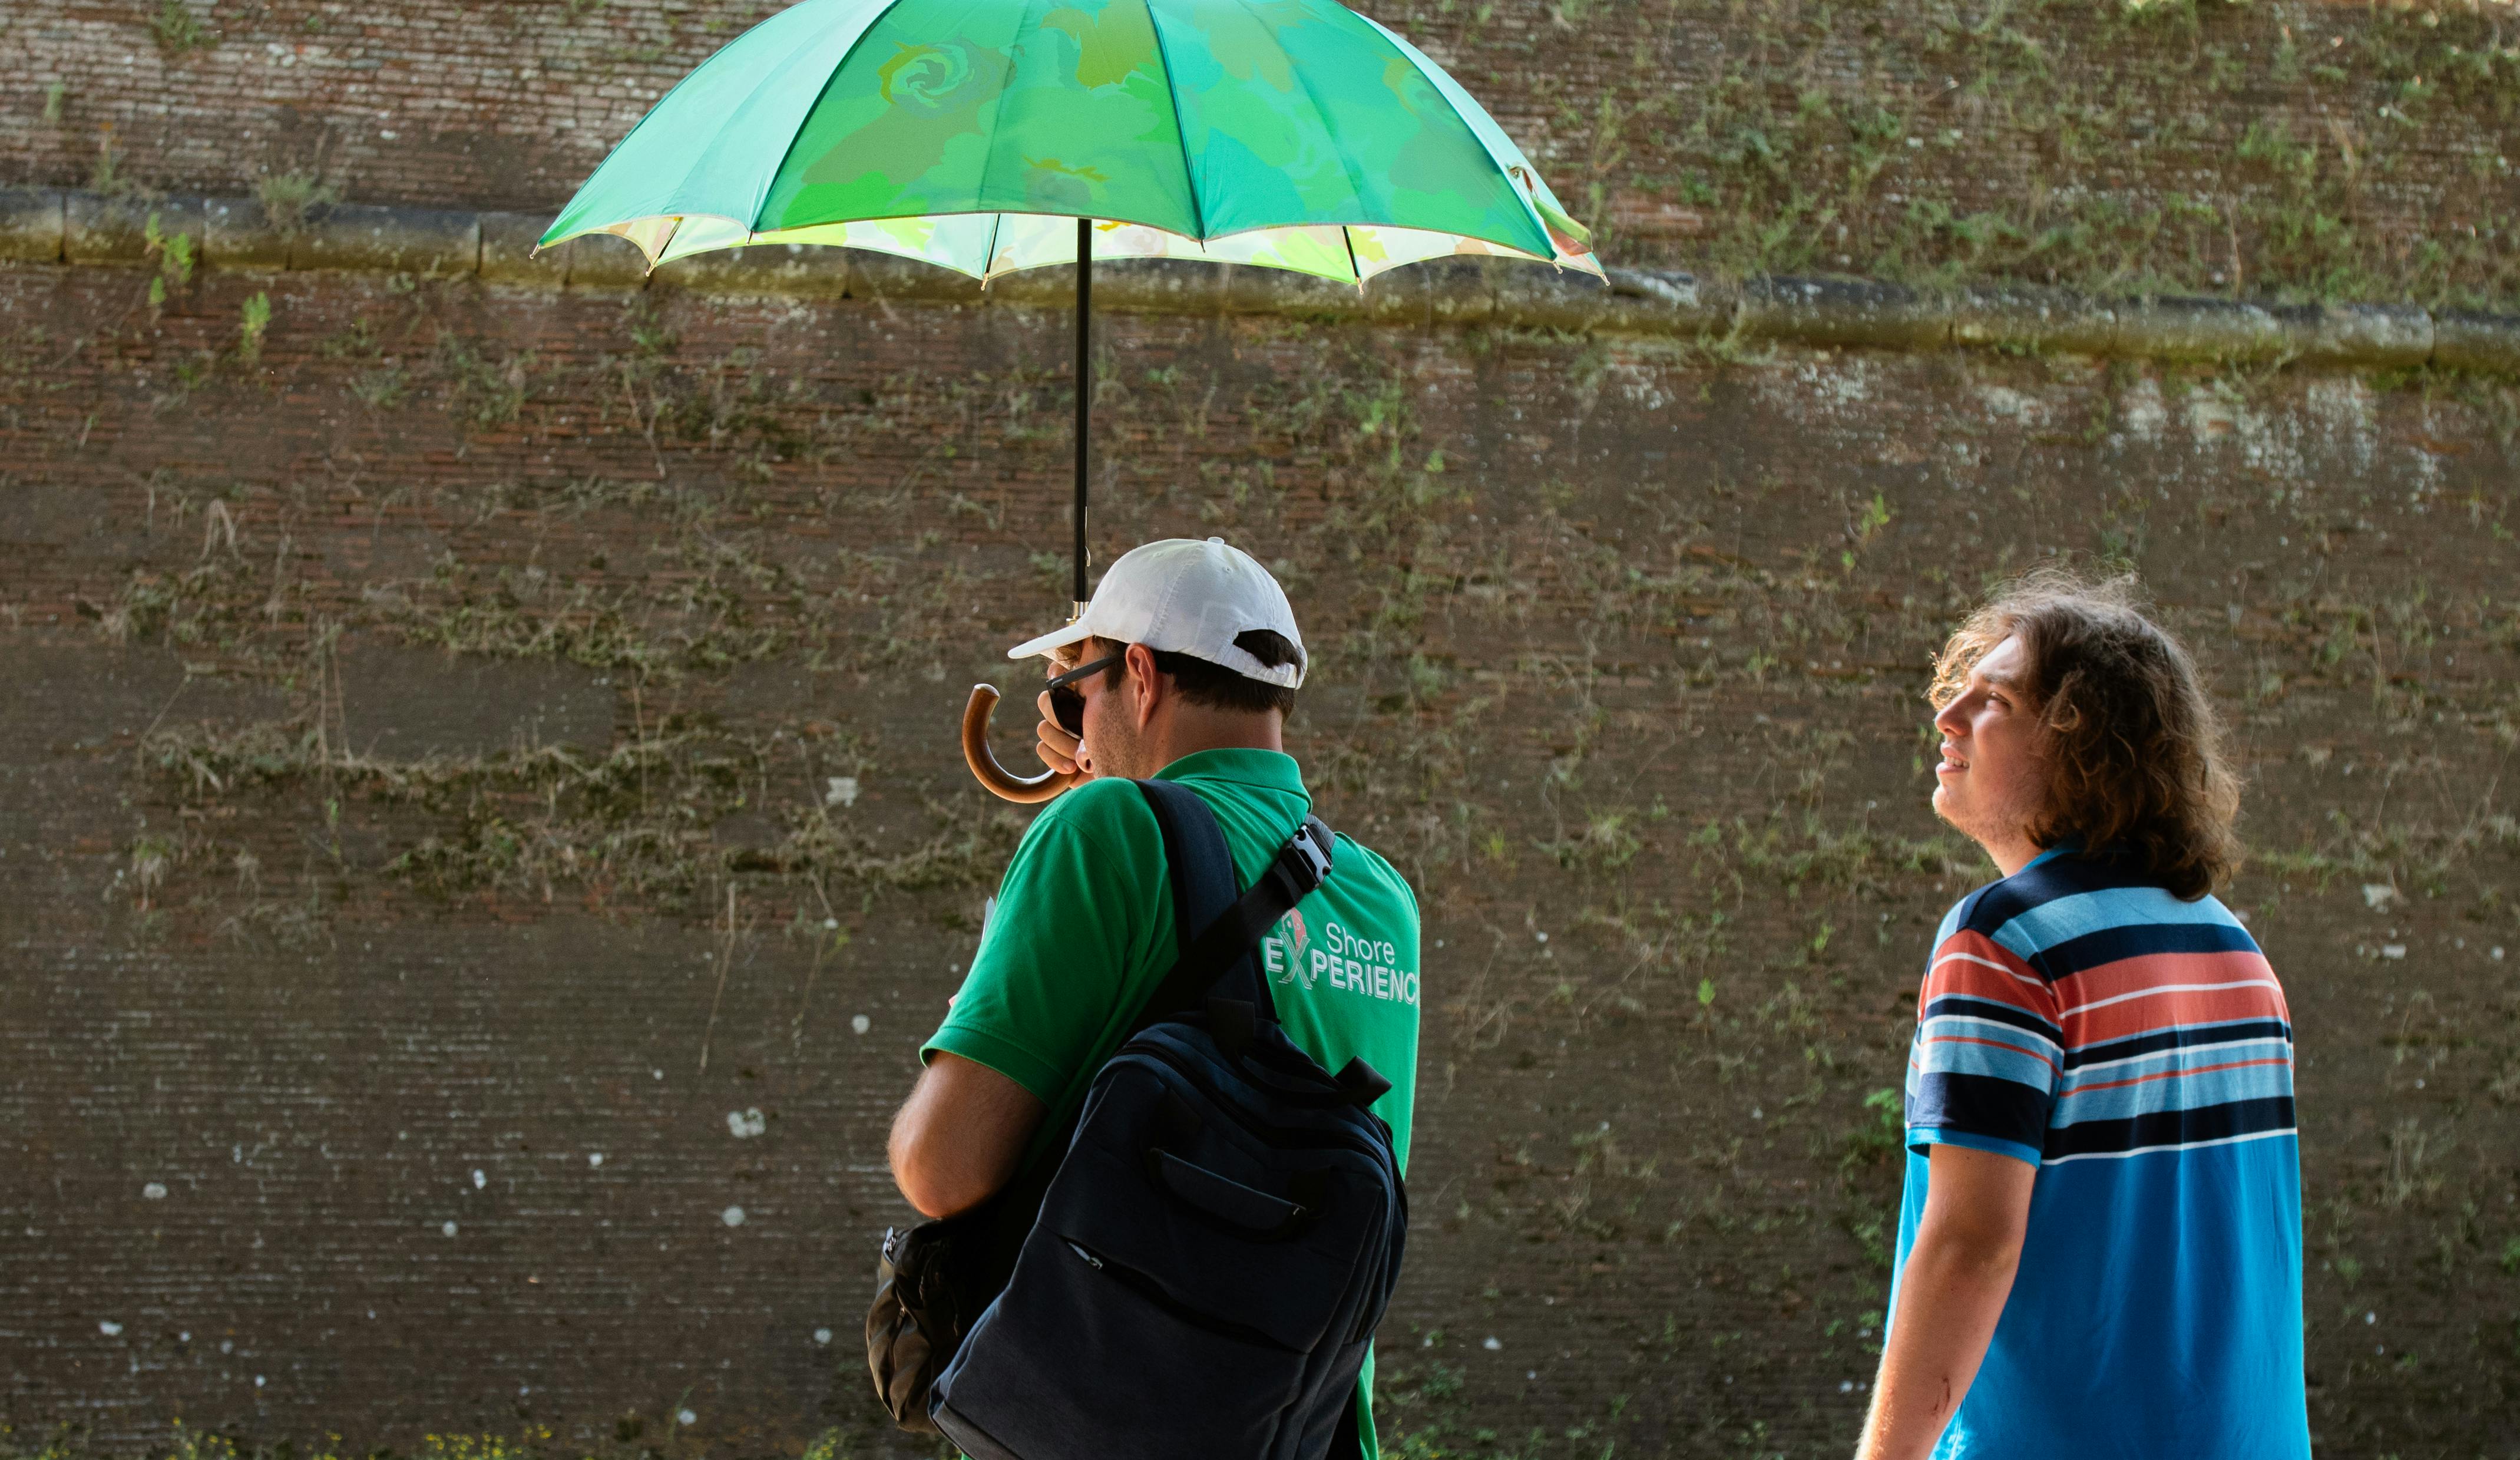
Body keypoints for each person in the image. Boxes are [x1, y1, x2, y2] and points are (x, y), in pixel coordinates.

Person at [886, 536, 1424, 1459]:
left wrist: (1098, 802)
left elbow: (942, 1167)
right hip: (1306, 1433)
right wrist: (1119, 774)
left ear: (1139, 673)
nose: (1068, 726)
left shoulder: (1101, 829)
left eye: (1069, 694)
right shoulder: (1384, 896)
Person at [1858, 571, 2309, 1459]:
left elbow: (1968, 1244)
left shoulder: (2003, 940)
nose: (1946, 715)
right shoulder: (2235, 952)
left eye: (1995, 701)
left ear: (2084, 744)